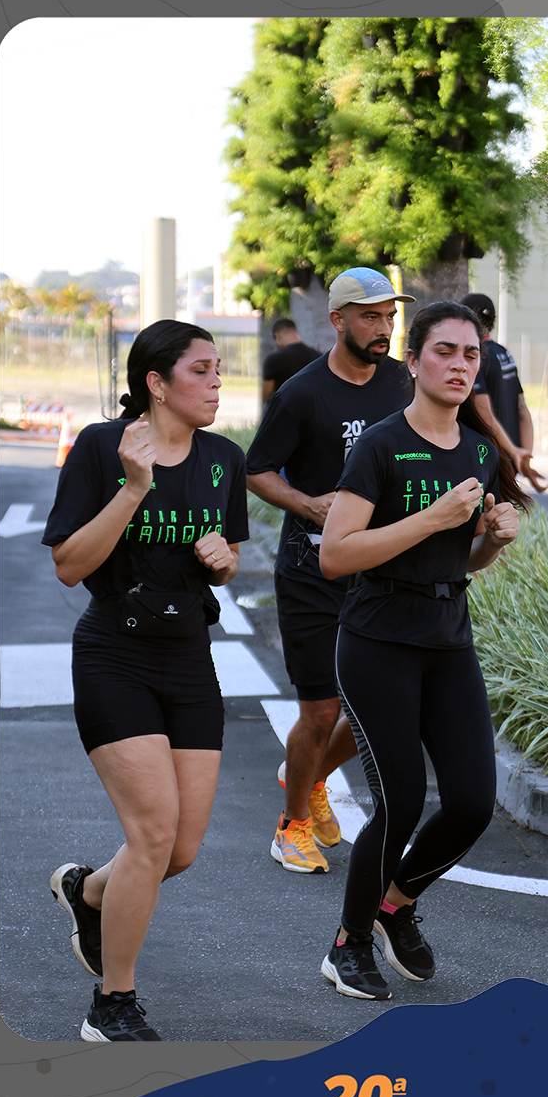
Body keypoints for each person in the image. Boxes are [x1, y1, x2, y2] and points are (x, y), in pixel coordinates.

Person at [318, 301, 531, 1000]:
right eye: (444, 351)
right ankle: (348, 944)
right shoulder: (381, 445)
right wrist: (432, 518)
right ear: (412, 362)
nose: (459, 365)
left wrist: (490, 540)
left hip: (447, 637)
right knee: (401, 800)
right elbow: (336, 555)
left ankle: (396, 902)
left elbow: (460, 559)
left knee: (472, 801)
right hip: (377, 639)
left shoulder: (478, 450)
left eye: (471, 354)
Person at [43, 319, 249, 1041]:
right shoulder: (104, 447)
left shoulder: (224, 459)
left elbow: (226, 560)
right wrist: (134, 488)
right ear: (156, 384)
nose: (217, 382)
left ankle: (89, 891)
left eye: (219, 369)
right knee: (153, 833)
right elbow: (69, 565)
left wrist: (224, 561)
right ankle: (113, 1003)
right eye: (201, 370)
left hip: (189, 657)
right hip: (114, 655)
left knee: (178, 850)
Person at [245, 267, 415, 874]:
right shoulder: (303, 393)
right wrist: (307, 504)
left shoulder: (401, 381)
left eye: (389, 317)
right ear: (338, 321)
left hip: (380, 569)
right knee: (320, 711)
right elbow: (257, 470)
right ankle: (291, 825)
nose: (383, 328)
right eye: (370, 317)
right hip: (311, 570)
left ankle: (309, 774)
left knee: (377, 705)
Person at [459, 292, 548, 493]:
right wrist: (523, 456)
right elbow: (523, 411)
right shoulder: (504, 353)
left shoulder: (476, 356)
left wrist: (514, 451)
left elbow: (485, 414)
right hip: (508, 463)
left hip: (486, 460)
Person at [261, 318, 320, 407]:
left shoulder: (273, 359)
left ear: (277, 336)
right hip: (312, 411)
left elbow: (266, 395)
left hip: (283, 411)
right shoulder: (318, 356)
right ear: (297, 333)